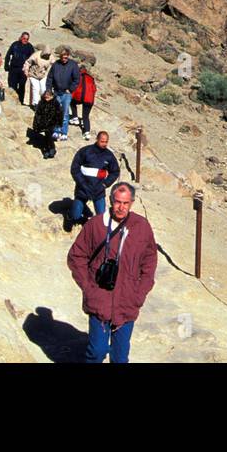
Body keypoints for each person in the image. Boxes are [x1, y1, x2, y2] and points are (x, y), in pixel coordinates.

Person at [66, 182, 157, 364]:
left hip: (128, 302)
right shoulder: (95, 225)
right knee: (97, 351)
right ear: (110, 201)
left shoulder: (141, 226)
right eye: (117, 202)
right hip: (99, 299)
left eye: (125, 203)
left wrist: (139, 294)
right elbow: (76, 256)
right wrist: (88, 288)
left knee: (120, 357)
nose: (121, 207)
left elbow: (150, 261)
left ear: (131, 203)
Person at [68, 131, 119, 230]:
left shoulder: (109, 156)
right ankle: (71, 215)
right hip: (83, 189)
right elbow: (75, 168)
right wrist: (82, 183)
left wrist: (105, 184)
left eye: (106, 142)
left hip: (98, 191)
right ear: (97, 140)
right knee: (75, 216)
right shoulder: (85, 151)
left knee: (101, 218)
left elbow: (115, 172)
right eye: (102, 141)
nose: (104, 144)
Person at [49, 48, 81, 141]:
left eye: (66, 57)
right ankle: (56, 131)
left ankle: (64, 132)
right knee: (56, 112)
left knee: (65, 114)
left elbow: (76, 79)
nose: (64, 59)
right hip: (56, 92)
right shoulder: (56, 65)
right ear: (60, 57)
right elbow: (50, 78)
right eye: (63, 57)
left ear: (68, 56)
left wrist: (70, 89)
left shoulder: (73, 65)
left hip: (66, 94)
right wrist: (48, 89)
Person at [4, 32, 35, 104]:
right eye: (24, 38)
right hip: (13, 69)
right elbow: (8, 55)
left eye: (27, 39)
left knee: (21, 86)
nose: (25, 40)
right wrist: (6, 65)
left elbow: (33, 59)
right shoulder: (15, 45)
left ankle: (21, 102)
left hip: (23, 70)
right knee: (12, 86)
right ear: (21, 37)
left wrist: (30, 70)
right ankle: (11, 101)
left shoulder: (30, 47)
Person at [71, 64, 98, 140]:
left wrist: (71, 95)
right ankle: (87, 133)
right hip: (90, 99)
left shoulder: (79, 76)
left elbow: (76, 88)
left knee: (72, 102)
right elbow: (94, 89)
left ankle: (75, 117)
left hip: (81, 97)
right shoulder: (91, 78)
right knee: (85, 116)